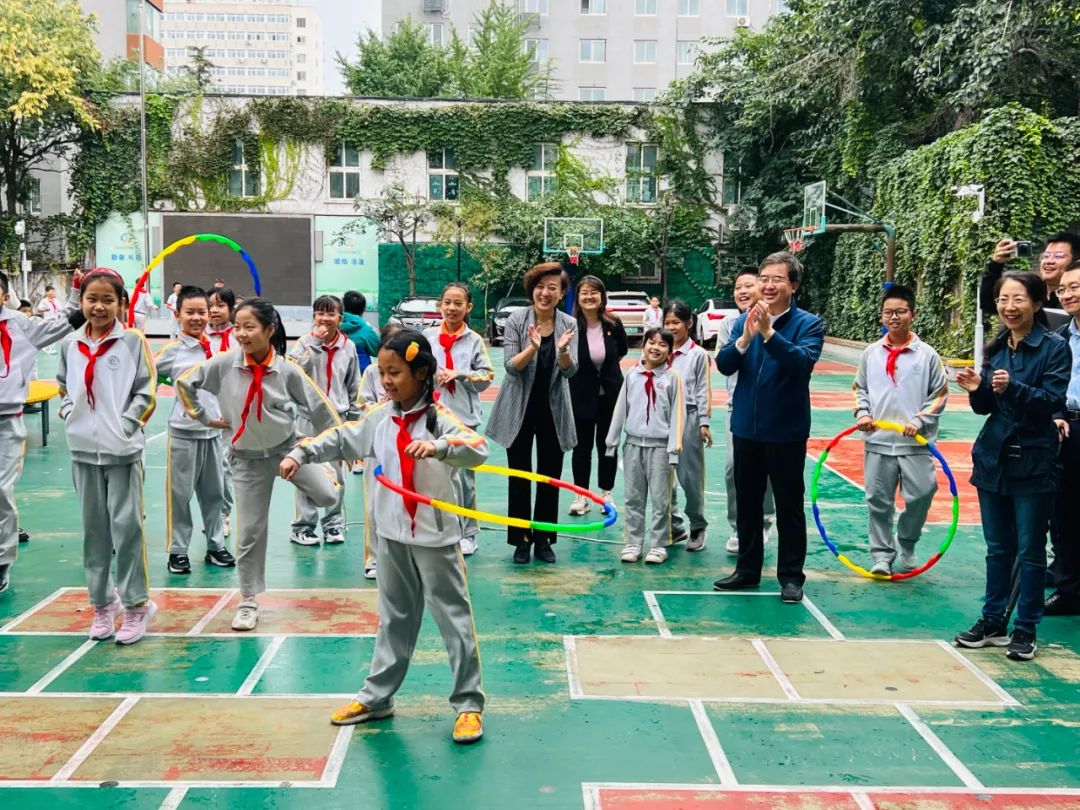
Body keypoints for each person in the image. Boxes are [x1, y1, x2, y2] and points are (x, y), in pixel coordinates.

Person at [281, 330, 488, 744]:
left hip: (434, 539)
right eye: (383, 372)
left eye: (395, 372)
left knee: (454, 619)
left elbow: (476, 447)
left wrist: (441, 446)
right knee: (393, 619)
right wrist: (300, 452)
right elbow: (342, 437)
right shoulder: (380, 417)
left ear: (422, 372)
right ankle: (377, 697)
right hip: (390, 536)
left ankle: (468, 704)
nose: (387, 380)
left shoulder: (439, 420)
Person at [176, 297, 342, 631]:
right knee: (250, 531)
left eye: (249, 327)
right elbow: (185, 384)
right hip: (247, 460)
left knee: (329, 497)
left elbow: (320, 407)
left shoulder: (286, 371)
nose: (240, 334)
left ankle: (325, 475)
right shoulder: (222, 365)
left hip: (287, 450)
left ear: (269, 329)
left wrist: (337, 444)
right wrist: (206, 417)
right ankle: (249, 600)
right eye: (237, 326)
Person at [954, 272, 1069, 661]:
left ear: (1037, 304)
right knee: (997, 548)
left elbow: (1053, 400)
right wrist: (977, 388)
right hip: (993, 457)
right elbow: (987, 407)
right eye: (1003, 299)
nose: (1009, 307)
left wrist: (1012, 388)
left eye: (1018, 299)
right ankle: (992, 621)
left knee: (1031, 551)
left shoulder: (1054, 347)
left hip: (1034, 459)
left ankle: (1025, 628)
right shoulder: (996, 348)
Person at [714, 252, 824, 603]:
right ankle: (747, 570)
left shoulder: (808, 324)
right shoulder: (741, 322)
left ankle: (791, 577)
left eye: (778, 279)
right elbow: (724, 364)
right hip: (746, 426)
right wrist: (746, 339)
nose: (769, 285)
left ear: (793, 285)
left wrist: (768, 333)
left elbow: (800, 364)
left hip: (786, 431)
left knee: (788, 505)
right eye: (764, 278)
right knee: (747, 503)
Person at [57, 269, 158, 643]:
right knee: (94, 533)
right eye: (91, 299)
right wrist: (71, 415)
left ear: (121, 303)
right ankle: (102, 604)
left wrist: (127, 426)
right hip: (82, 452)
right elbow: (62, 386)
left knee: (127, 529)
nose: (98, 307)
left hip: (123, 453)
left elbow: (146, 392)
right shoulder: (70, 344)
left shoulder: (132, 342)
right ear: (81, 301)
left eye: (107, 300)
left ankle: (136, 606)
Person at [853, 284, 949, 576]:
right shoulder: (871, 353)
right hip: (878, 441)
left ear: (912, 315)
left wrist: (919, 420)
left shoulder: (927, 355)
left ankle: (906, 541)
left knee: (922, 493)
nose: (894, 317)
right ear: (882, 316)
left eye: (901, 311)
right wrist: (863, 413)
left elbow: (940, 394)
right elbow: (860, 388)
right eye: (888, 312)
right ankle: (882, 555)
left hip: (915, 443)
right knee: (878, 501)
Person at [486, 262, 577, 565]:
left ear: (562, 292)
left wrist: (562, 352)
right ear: (532, 289)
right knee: (520, 476)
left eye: (553, 287)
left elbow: (570, 371)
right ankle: (521, 539)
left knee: (550, 477)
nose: (545, 292)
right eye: (540, 286)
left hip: (553, 410)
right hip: (519, 409)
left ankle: (544, 538)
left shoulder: (567, 323)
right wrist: (533, 348)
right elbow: (512, 368)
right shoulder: (516, 320)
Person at [0, 271, 82, 594]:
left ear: (5, 295)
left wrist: (76, 293)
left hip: (7, 420)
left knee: (1, 490)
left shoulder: (22, 327)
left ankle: (2, 560)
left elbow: (64, 322)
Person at [155, 286, 236, 575]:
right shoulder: (172, 352)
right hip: (184, 432)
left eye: (202, 311)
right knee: (180, 495)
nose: (198, 317)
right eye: (190, 312)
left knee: (215, 492)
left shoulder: (218, 346)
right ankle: (178, 550)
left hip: (214, 433)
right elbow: (149, 376)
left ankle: (215, 546)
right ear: (177, 315)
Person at [424, 282, 494, 557]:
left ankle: (468, 532)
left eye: (458, 303)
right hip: (432, 415)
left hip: (464, 418)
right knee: (433, 475)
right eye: (447, 303)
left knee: (464, 479)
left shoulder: (474, 340)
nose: (451, 308)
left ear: (469, 307)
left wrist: (461, 374)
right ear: (439, 305)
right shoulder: (427, 338)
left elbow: (487, 375)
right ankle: (438, 528)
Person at [606, 327, 684, 564]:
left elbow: (678, 416)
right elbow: (620, 410)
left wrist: (674, 449)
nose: (656, 348)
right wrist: (612, 442)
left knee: (661, 500)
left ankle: (659, 544)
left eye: (662, 344)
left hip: (661, 448)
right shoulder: (631, 375)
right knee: (633, 497)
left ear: (669, 351)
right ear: (643, 345)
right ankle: (633, 542)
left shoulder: (672, 379)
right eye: (652, 342)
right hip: (633, 446)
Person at [287, 295, 360, 547]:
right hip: (307, 419)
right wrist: (315, 344)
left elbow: (353, 385)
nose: (325, 319)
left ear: (341, 318)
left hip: (336, 419)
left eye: (331, 314)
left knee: (337, 475)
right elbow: (293, 372)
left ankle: (332, 524)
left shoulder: (348, 347)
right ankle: (303, 527)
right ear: (313, 316)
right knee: (307, 472)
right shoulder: (303, 344)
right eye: (320, 313)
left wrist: (354, 420)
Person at [719, 269, 775, 555]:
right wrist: (744, 337)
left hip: (769, 409)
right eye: (738, 286)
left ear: (762, 288)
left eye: (748, 285)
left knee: (766, 470)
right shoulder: (730, 324)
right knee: (732, 469)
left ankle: (764, 521)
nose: (742, 291)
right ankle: (738, 526)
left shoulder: (776, 322)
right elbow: (724, 361)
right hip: (737, 407)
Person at [568, 275, 627, 514]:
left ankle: (606, 494)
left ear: (602, 296)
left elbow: (620, 351)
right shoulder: (570, 325)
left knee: (607, 445)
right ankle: (581, 496)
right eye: (584, 292)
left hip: (611, 395)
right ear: (578, 298)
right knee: (581, 447)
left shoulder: (613, 324)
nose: (589, 296)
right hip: (580, 395)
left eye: (594, 292)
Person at [664, 300, 713, 550]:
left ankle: (697, 525)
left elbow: (703, 389)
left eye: (676, 322)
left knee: (689, 477)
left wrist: (703, 422)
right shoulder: (659, 350)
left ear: (689, 323)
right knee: (662, 477)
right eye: (668, 322)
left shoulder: (698, 355)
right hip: (661, 421)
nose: (672, 327)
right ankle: (674, 525)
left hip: (689, 418)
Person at [1045, 261, 1080, 615]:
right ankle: (1069, 590)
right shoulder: (1059, 338)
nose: (1067, 294)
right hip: (1068, 428)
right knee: (1064, 512)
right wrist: (1056, 416)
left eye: (1076, 287)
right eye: (1063, 289)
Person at [356, 323, 401, 580]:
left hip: (404, 446)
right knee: (374, 504)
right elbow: (364, 404)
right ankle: (373, 558)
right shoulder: (373, 373)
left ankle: (399, 556)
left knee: (401, 502)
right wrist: (380, 405)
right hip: (377, 444)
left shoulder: (412, 374)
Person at [979, 234, 1080, 327]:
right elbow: (988, 304)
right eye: (1046, 256)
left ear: (1076, 262)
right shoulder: (1032, 289)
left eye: (1058, 256)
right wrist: (996, 264)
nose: (1049, 261)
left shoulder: (1074, 297)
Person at [206, 286, 236, 536]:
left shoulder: (239, 337)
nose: (214, 310)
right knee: (208, 471)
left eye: (220, 305)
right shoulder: (199, 338)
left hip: (230, 411)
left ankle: (223, 515)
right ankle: (212, 515)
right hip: (203, 412)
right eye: (210, 305)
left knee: (224, 466)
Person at [342, 290, 380, 373]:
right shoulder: (366, 330)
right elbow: (378, 350)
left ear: (343, 307)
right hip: (361, 376)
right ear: (363, 310)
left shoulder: (332, 327)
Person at [36, 285, 62, 354]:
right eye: (51, 291)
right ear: (47, 292)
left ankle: (48, 348)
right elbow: (39, 309)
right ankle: (47, 348)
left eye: (54, 291)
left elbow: (61, 309)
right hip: (48, 320)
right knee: (51, 334)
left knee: (55, 335)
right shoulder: (44, 301)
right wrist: (45, 309)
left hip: (55, 320)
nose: (53, 293)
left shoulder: (56, 300)